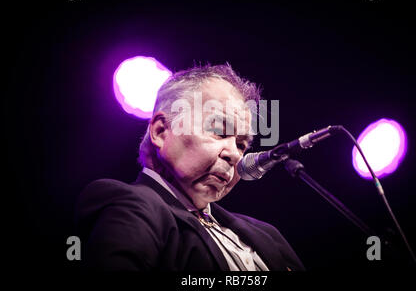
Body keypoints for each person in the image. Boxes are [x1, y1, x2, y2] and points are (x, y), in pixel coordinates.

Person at [75, 64, 305, 271]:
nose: (235, 154)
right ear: (161, 131)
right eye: (219, 131)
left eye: (241, 144)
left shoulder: (267, 234)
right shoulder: (130, 203)